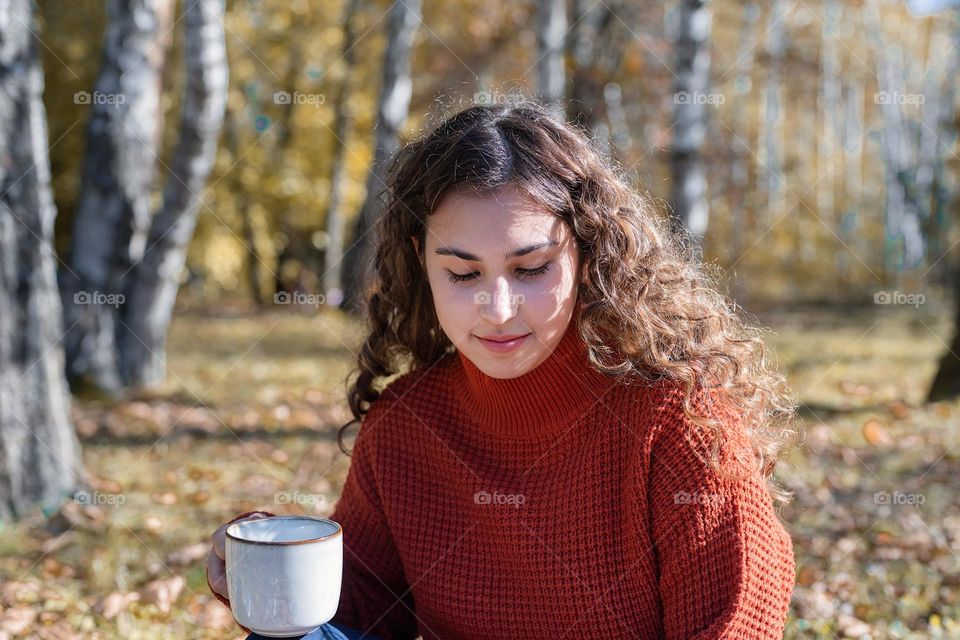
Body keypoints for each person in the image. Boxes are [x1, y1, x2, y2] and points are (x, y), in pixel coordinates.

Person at [206, 100, 800, 639]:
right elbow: (356, 618)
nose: (498, 309)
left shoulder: (679, 425)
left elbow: (734, 626)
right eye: (463, 275)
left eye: (531, 268)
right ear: (422, 265)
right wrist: (265, 569)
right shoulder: (405, 427)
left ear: (585, 252)